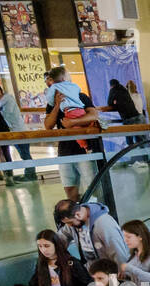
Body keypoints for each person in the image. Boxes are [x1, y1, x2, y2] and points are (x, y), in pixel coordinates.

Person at [43, 71, 100, 201]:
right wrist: (57, 105)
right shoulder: (51, 102)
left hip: (84, 150)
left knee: (93, 187)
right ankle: (76, 214)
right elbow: (48, 125)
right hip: (64, 150)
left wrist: (73, 122)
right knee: (69, 188)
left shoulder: (80, 96)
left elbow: (94, 115)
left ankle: (95, 212)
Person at [54, 198, 130, 266]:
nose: (69, 226)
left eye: (70, 223)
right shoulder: (75, 219)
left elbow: (119, 254)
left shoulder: (105, 225)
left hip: (109, 272)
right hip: (93, 270)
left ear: (78, 215)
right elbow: (62, 235)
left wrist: (121, 278)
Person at [0, 82, 36, 182]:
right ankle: (30, 174)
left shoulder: (7, 99)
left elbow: (5, 114)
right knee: (24, 154)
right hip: (15, 132)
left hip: (19, 132)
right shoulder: (0, 102)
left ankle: (31, 175)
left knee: (25, 154)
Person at [119, 219, 150, 286]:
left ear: (140, 236)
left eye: (128, 237)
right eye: (124, 237)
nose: (125, 240)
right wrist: (125, 275)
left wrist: (129, 268)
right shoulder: (133, 254)